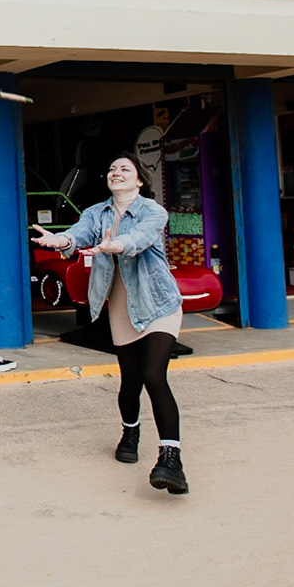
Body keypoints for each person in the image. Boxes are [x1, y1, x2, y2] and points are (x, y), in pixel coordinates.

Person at [31, 153, 189, 495]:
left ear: (139, 180)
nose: (116, 173)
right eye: (112, 169)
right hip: (120, 308)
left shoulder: (152, 211)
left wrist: (115, 244)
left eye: (125, 169)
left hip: (158, 304)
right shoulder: (96, 213)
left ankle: (171, 459)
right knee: (130, 381)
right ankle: (130, 432)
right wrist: (60, 241)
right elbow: (78, 234)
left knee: (153, 375)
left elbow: (140, 238)